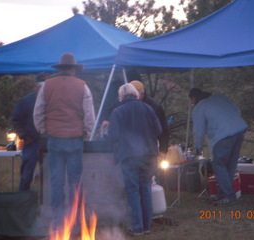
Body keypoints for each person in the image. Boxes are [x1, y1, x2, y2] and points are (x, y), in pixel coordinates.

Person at [33, 53, 95, 230]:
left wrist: (44, 130)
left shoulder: (47, 86)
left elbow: (38, 112)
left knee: (56, 182)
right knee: (75, 182)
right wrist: (87, 133)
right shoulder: (83, 87)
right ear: (74, 69)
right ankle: (75, 222)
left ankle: (58, 223)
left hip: (54, 139)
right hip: (75, 140)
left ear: (60, 68)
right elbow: (89, 115)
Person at [108, 83, 162, 236]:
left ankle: (137, 227)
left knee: (132, 191)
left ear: (122, 96)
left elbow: (113, 136)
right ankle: (147, 226)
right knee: (145, 189)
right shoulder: (148, 108)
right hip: (149, 155)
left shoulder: (118, 111)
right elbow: (158, 130)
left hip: (129, 156)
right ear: (135, 94)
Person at [189, 88, 248, 206]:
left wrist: (197, 149)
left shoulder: (200, 107)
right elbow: (236, 109)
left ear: (194, 98)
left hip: (223, 136)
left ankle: (228, 196)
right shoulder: (219, 98)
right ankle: (222, 193)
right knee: (230, 165)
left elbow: (199, 131)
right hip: (239, 131)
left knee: (219, 165)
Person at [11, 72, 47, 191]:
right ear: (36, 86)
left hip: (48, 143)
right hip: (31, 143)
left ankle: (45, 202)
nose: (43, 88)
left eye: (46, 86)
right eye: (41, 85)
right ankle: (23, 200)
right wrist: (24, 136)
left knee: (48, 174)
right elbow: (16, 120)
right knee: (26, 175)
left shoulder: (51, 101)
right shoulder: (25, 101)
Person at [129, 80, 169, 157]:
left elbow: (163, 130)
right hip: (130, 152)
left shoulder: (155, 107)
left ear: (141, 94)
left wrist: (163, 150)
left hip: (149, 151)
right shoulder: (124, 105)